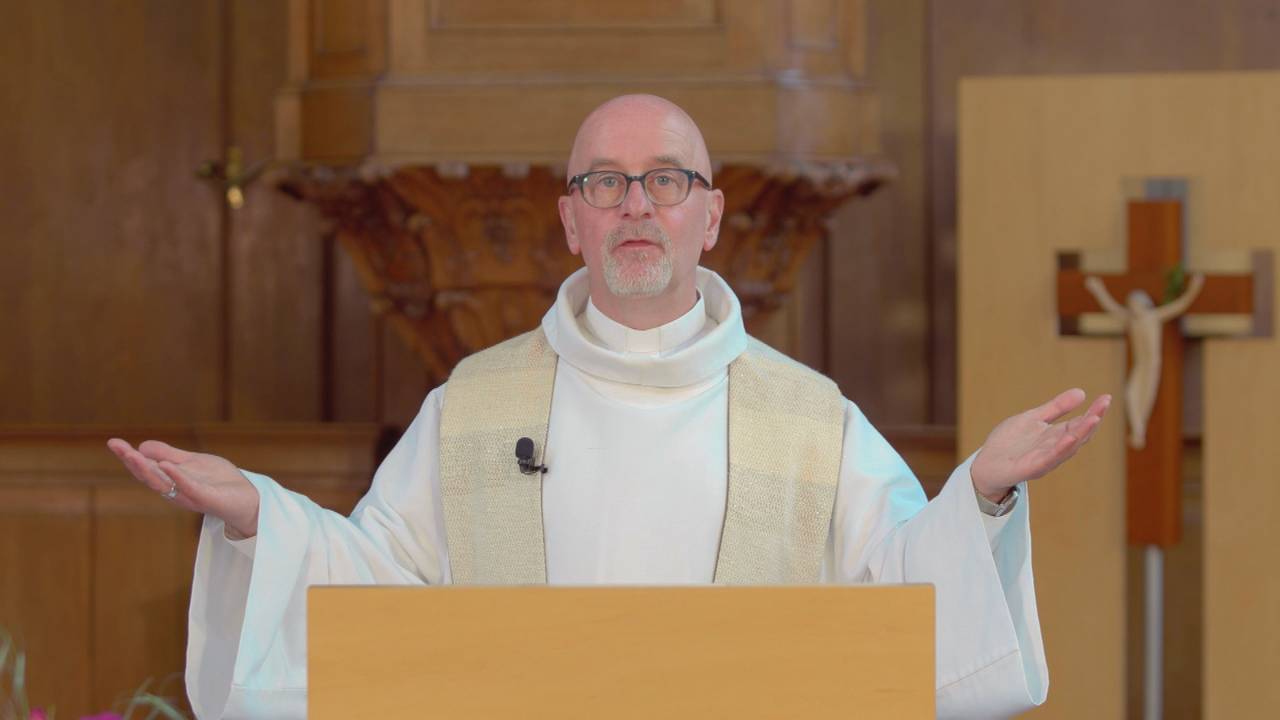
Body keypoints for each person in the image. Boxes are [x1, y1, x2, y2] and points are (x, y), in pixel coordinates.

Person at [107, 94, 1109, 719]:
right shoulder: (475, 404)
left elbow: (893, 600)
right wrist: (258, 519)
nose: (636, 204)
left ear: (708, 217)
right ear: (571, 221)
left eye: (665, 180)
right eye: (605, 183)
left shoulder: (809, 420)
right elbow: (375, 589)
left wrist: (978, 496)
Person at [1084, 273, 1203, 449]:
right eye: (1130, 304)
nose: (1133, 307)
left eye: (1135, 304)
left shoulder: (1154, 316)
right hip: (1140, 364)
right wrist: (1098, 289)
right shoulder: (1131, 320)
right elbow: (1111, 307)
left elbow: (1180, 305)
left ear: (1144, 304)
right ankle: (1138, 430)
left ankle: (1139, 431)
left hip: (1152, 364)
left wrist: (1194, 288)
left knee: (1146, 397)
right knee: (1130, 394)